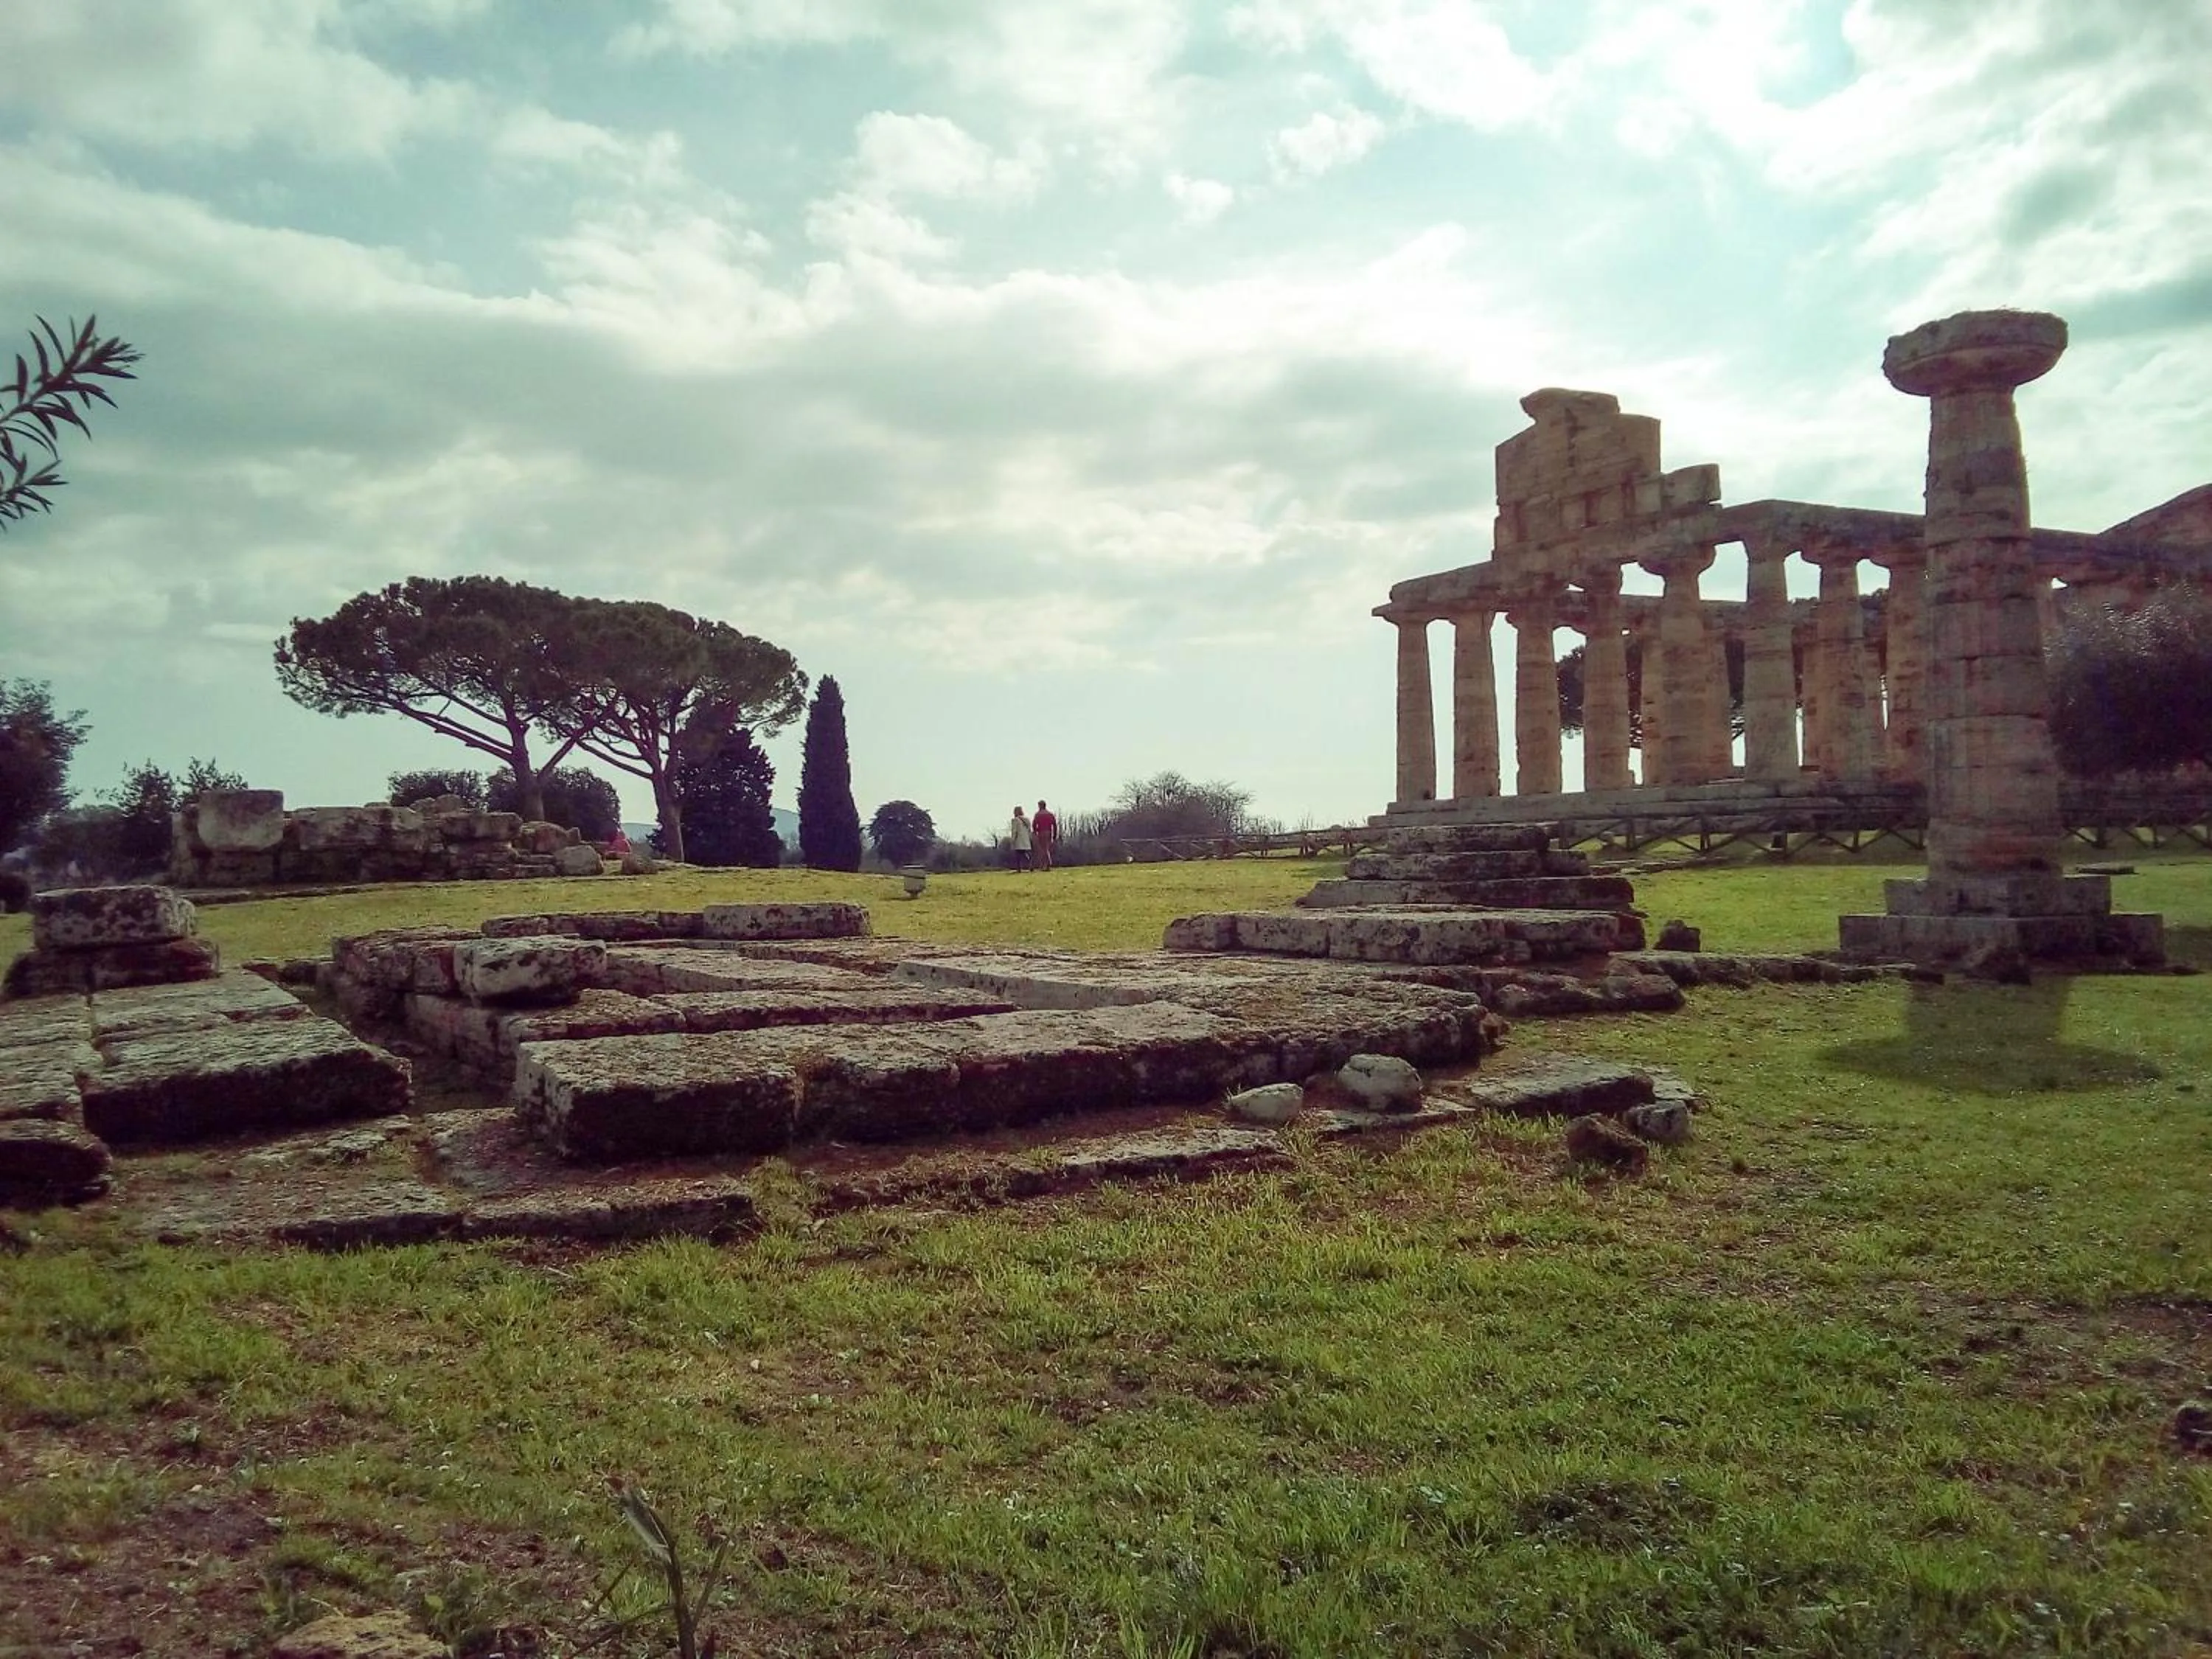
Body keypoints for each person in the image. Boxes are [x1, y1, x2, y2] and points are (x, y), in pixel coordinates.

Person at [1032, 799, 1057, 872]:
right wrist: (1055, 835)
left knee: (1043, 849)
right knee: (1046, 848)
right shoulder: (1050, 814)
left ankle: (1047, 864)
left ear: (1040, 806)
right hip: (1049, 832)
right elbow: (1054, 825)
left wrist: (1035, 831)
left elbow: (1034, 825)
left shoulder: (1038, 815)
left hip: (1041, 832)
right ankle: (1045, 865)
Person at [1008, 805, 1032, 872]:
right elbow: (1029, 829)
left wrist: (1013, 840)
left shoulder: (1015, 820)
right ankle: (1030, 865)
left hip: (1019, 839)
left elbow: (1014, 831)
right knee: (1024, 853)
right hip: (1026, 839)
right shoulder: (1027, 820)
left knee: (1018, 855)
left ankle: (1019, 868)